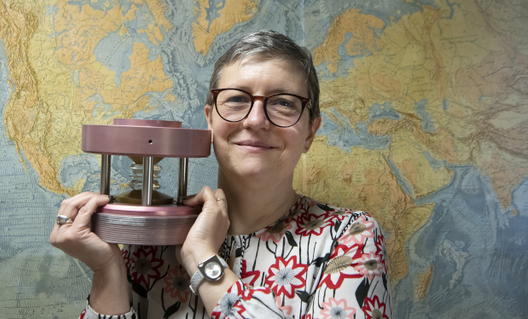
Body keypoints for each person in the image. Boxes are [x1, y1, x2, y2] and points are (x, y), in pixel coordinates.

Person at [50, 30, 392, 319]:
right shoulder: (154, 242)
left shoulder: (349, 237)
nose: (256, 120)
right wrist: (107, 269)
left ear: (311, 132)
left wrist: (202, 258)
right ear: (210, 120)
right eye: (237, 99)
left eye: (284, 102)